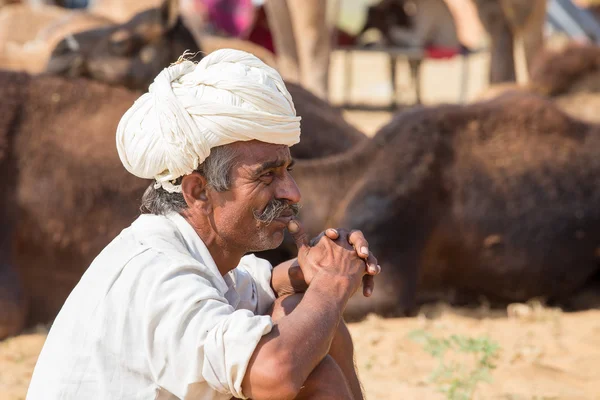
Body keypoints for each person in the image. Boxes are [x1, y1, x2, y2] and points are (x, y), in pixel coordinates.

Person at [26, 48, 381, 399]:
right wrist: (332, 284)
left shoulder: (196, 255)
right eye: (267, 176)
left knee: (313, 324)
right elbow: (276, 375)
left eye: (287, 171)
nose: (292, 193)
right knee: (311, 371)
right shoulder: (158, 274)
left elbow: (258, 287)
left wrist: (312, 271)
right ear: (198, 192)